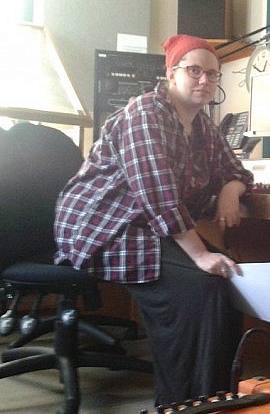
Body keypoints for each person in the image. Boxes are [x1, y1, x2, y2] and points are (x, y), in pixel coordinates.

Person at [53, 34, 254, 406]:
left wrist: (232, 188)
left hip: (152, 227)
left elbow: (235, 169)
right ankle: (180, 403)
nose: (205, 81)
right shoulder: (145, 113)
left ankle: (214, 398)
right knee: (199, 286)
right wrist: (198, 255)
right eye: (194, 70)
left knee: (226, 281)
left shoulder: (202, 125)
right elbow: (158, 194)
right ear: (171, 73)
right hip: (107, 226)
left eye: (213, 74)